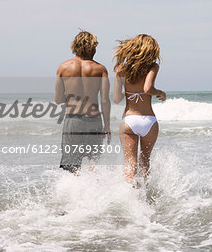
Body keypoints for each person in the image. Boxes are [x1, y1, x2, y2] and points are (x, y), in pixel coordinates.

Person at [113, 34, 166, 185]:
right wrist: (161, 93)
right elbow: (148, 88)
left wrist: (126, 92)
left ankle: (130, 200)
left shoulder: (120, 69)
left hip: (129, 120)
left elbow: (116, 99)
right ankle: (144, 199)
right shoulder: (153, 66)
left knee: (130, 165)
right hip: (149, 121)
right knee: (145, 162)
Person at [55, 30, 111, 173]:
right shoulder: (100, 69)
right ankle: (93, 193)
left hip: (73, 120)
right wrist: (107, 126)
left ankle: (76, 194)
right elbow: (105, 100)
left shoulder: (63, 67)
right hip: (94, 120)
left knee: (72, 167)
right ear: (91, 47)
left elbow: (58, 100)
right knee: (93, 161)